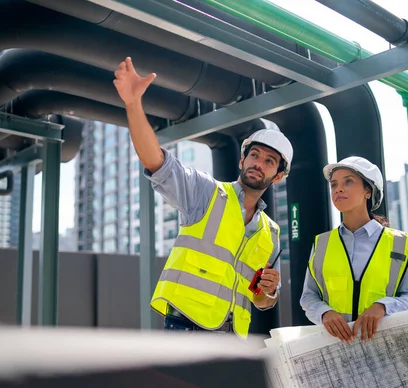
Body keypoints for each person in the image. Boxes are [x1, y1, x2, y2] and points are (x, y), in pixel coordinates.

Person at [113, 57, 293, 339]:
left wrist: (269, 291)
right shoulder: (206, 193)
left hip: (234, 337)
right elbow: (156, 162)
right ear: (241, 160)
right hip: (186, 329)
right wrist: (133, 104)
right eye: (254, 155)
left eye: (269, 161)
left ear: (278, 176)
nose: (258, 163)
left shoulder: (270, 233)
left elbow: (261, 301)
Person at [300, 156, 408, 343]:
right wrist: (324, 312)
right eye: (334, 185)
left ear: (368, 191)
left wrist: (383, 306)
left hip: (384, 347)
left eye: (348, 181)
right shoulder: (322, 243)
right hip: (335, 347)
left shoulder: (398, 243)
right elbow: (309, 296)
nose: (338, 189)